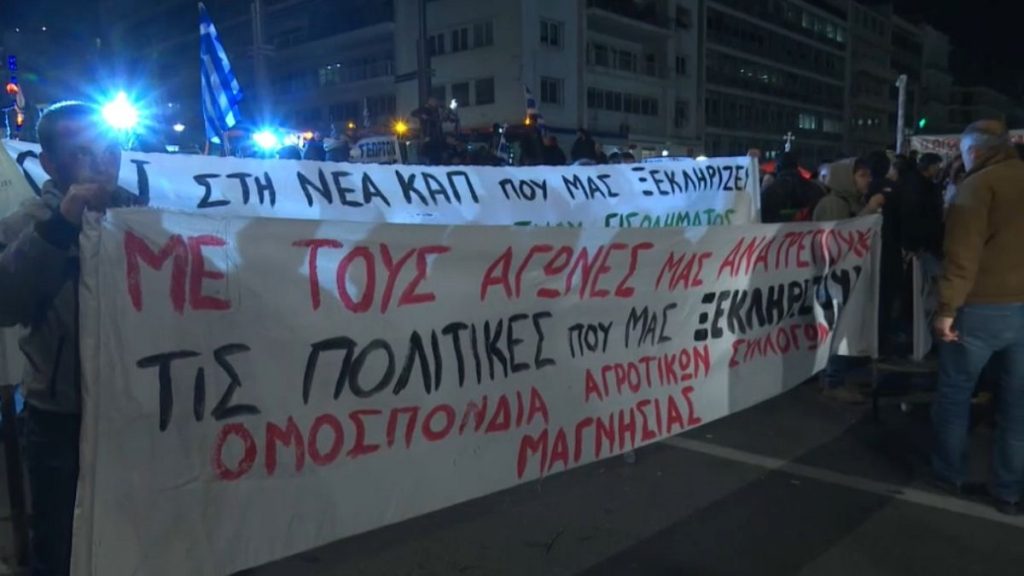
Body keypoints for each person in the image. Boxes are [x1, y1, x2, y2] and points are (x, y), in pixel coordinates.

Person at [0, 101, 146, 575]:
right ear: (50, 164)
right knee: (63, 546)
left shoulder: (142, 216)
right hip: (61, 420)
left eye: (109, 149)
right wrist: (61, 226)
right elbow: (7, 302)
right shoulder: (27, 225)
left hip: (137, 412)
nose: (103, 163)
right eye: (84, 153)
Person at [932, 120, 1024, 515]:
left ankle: (947, 474)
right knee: (1017, 406)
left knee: (955, 395)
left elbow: (962, 257)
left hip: (981, 308)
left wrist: (947, 310)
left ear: (975, 152)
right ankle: (1008, 489)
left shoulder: (976, 188)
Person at [813, 155, 880, 403]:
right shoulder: (834, 203)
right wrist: (870, 210)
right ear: (846, 178)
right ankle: (832, 380)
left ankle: (833, 377)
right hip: (834, 278)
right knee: (838, 327)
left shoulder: (848, 201)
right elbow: (843, 237)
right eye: (862, 175)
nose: (867, 180)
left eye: (868, 175)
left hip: (843, 276)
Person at [760, 151, 823, 222]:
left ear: (778, 168)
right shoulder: (815, 189)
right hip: (811, 231)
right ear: (796, 167)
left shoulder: (769, 192)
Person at [411, 97, 445, 165]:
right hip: (428, 134)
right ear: (430, 102)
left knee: (436, 153)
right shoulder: (424, 109)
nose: (436, 103)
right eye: (434, 101)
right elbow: (413, 113)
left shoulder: (436, 110)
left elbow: (438, 121)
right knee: (428, 152)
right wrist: (422, 116)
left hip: (436, 136)